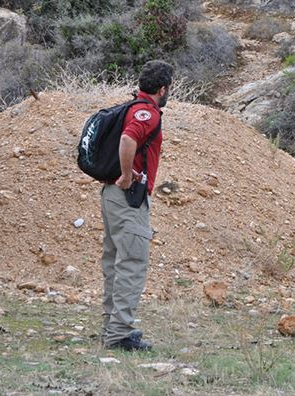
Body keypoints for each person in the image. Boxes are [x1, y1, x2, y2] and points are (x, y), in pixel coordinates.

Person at [100, 60, 173, 350]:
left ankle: (111, 328)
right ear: (163, 88)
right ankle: (118, 335)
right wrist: (128, 176)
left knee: (114, 262)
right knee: (131, 263)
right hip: (128, 197)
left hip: (111, 196)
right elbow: (129, 138)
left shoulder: (131, 106)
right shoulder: (147, 113)